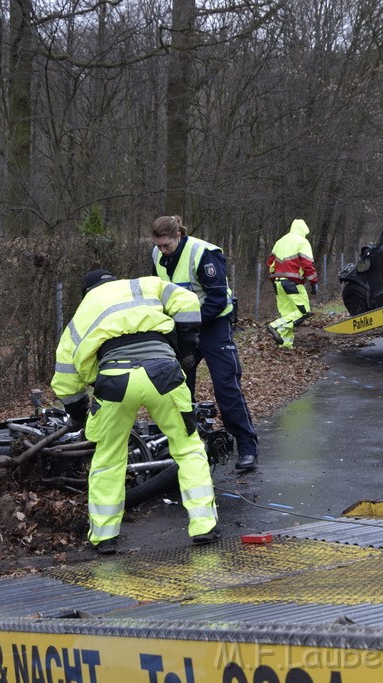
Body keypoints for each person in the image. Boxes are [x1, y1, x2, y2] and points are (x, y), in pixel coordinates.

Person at [51, 269, 220, 554]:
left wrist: (79, 412)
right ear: (115, 281)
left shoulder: (82, 313)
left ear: (87, 291)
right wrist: (186, 348)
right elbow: (188, 302)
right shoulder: (145, 285)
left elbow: (66, 376)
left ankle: (104, 537)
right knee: (188, 447)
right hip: (163, 372)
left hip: (114, 380)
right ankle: (204, 526)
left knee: (108, 458)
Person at [150, 215, 261, 472]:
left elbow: (217, 299)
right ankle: (184, 443)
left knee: (225, 385)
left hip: (214, 325)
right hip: (182, 328)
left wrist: (192, 323)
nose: (162, 250)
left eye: (166, 245)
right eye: (159, 245)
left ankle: (247, 446)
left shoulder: (204, 254)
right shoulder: (156, 255)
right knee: (177, 385)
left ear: (178, 236)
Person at [266, 218, 319, 350]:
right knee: (303, 312)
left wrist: (274, 280)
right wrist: (313, 282)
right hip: (293, 283)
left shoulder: (280, 242)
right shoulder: (302, 241)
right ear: (303, 231)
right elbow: (307, 264)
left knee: (288, 315)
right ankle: (275, 326)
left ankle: (285, 345)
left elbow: (271, 264)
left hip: (278, 283)